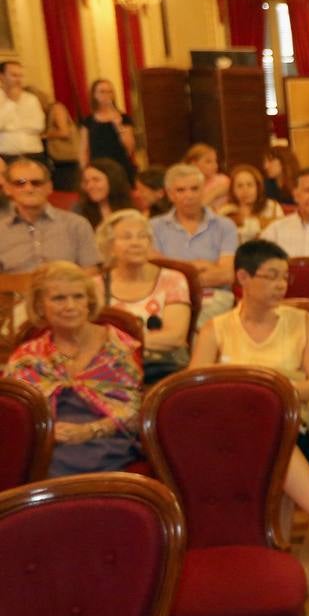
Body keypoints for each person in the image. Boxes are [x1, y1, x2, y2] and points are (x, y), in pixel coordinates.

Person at [190, 239, 309, 526]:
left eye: (285, 277)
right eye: (271, 276)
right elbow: (193, 390)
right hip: (231, 425)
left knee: (275, 434)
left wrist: (273, 396)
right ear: (243, 277)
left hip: (292, 420)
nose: (281, 285)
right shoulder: (216, 328)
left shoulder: (301, 321)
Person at [4, 260, 141, 476]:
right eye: (59, 298)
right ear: (40, 306)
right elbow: (14, 416)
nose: (70, 306)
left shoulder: (117, 346)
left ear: (89, 301)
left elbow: (135, 410)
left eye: (78, 296)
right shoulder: (27, 357)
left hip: (108, 439)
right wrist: (47, 434)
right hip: (47, 442)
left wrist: (88, 431)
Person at [95, 209, 192, 383]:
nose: (136, 243)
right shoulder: (95, 286)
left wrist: (120, 342)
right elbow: (93, 337)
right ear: (109, 247)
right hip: (112, 372)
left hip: (165, 371)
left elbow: (175, 337)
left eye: (142, 236)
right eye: (126, 237)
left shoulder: (173, 279)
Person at [150, 164, 238, 324]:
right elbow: (156, 275)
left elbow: (226, 275)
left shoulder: (225, 226)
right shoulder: (154, 227)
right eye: (181, 190)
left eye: (194, 188)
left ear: (203, 190)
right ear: (170, 194)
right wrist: (201, 266)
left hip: (215, 298)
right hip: (168, 299)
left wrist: (176, 270)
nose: (188, 195)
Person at [0, 157, 101, 274]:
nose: (29, 188)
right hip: (12, 290)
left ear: (49, 187)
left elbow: (91, 271)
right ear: (8, 189)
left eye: (36, 183)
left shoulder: (76, 225)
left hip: (67, 290)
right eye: (20, 183)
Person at [77, 79, 136, 184]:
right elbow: (84, 150)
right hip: (98, 169)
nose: (106, 95)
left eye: (110, 92)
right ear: (94, 95)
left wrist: (119, 126)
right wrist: (85, 171)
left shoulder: (124, 118)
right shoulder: (89, 121)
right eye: (102, 92)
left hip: (120, 168)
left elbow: (129, 148)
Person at [0, 61, 48, 168]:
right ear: (2, 76)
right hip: (6, 155)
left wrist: (8, 128)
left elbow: (38, 126)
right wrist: (11, 102)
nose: (18, 79)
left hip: (33, 153)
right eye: (14, 75)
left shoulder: (31, 99)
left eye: (20, 76)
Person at [219, 164, 284, 243]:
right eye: (239, 186)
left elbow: (282, 231)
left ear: (258, 187)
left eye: (250, 185)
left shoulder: (272, 206)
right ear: (233, 190)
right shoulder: (226, 211)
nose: (245, 190)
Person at [75, 160, 133, 229]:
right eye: (86, 182)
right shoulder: (79, 210)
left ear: (112, 180)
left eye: (96, 180)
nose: (89, 186)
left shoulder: (129, 209)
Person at [43, 99, 81, 192]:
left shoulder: (56, 109)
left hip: (66, 163)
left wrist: (44, 135)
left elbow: (64, 132)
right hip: (62, 164)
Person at [185, 143, 230, 211]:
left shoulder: (223, 180)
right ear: (193, 164)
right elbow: (194, 209)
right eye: (208, 162)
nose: (214, 165)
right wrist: (215, 193)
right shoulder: (187, 185)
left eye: (215, 161)